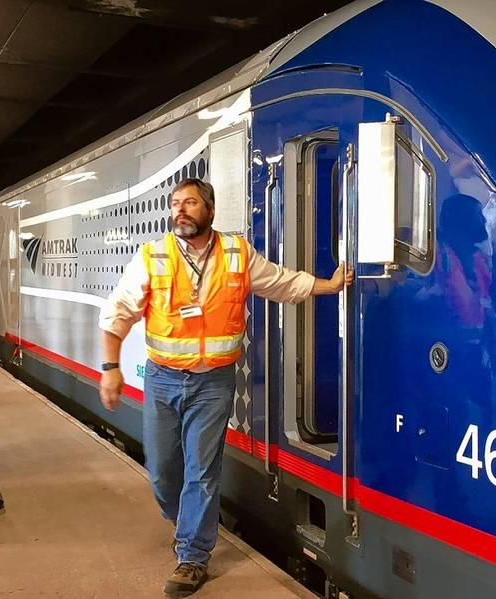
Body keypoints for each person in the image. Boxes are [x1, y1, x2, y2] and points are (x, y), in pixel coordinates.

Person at [98, 178, 353, 597]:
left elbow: (279, 282)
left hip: (215, 381)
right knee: (163, 472)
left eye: (191, 203)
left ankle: (193, 556)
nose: (181, 210)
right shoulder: (153, 256)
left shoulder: (236, 253)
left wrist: (326, 285)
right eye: (176, 203)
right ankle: (185, 523)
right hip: (164, 378)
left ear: (210, 210)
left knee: (202, 469)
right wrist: (110, 368)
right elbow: (118, 313)